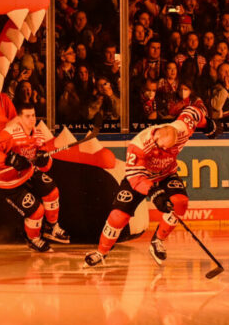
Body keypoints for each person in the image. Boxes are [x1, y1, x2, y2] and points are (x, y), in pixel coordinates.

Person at [85, 103, 217, 267]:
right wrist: (154, 193)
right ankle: (101, 252)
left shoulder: (182, 129)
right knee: (118, 217)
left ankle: (158, 240)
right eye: (162, 147)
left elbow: (193, 111)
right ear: (156, 138)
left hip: (166, 174)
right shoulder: (139, 145)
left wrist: (208, 124)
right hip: (140, 178)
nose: (164, 152)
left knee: (180, 202)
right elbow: (135, 177)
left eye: (169, 148)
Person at [0, 96, 71, 252]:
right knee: (37, 210)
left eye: (33, 115)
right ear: (19, 118)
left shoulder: (38, 134)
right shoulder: (10, 134)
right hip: (7, 181)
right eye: (27, 116)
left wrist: (44, 159)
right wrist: (8, 159)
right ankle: (33, 239)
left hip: (27, 172)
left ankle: (51, 228)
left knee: (52, 191)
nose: (32, 119)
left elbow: (46, 164)